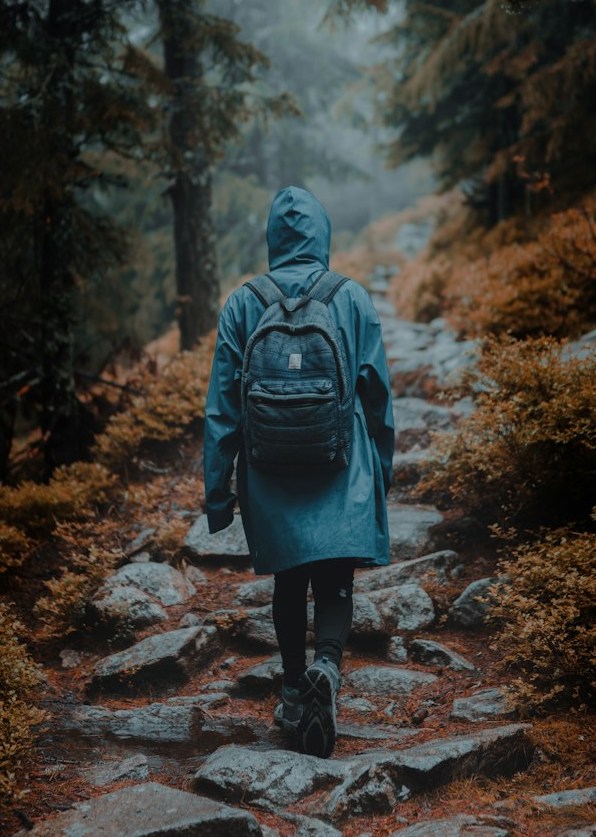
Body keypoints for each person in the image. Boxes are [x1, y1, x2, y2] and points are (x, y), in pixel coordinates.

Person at [203, 186, 394, 759]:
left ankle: (291, 690)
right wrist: (380, 471)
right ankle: (328, 669)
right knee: (335, 568)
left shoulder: (243, 302)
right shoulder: (351, 297)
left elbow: (221, 409)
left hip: (269, 469)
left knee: (290, 577)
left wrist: (218, 496)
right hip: (340, 463)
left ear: (273, 238)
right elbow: (378, 395)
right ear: (323, 234)